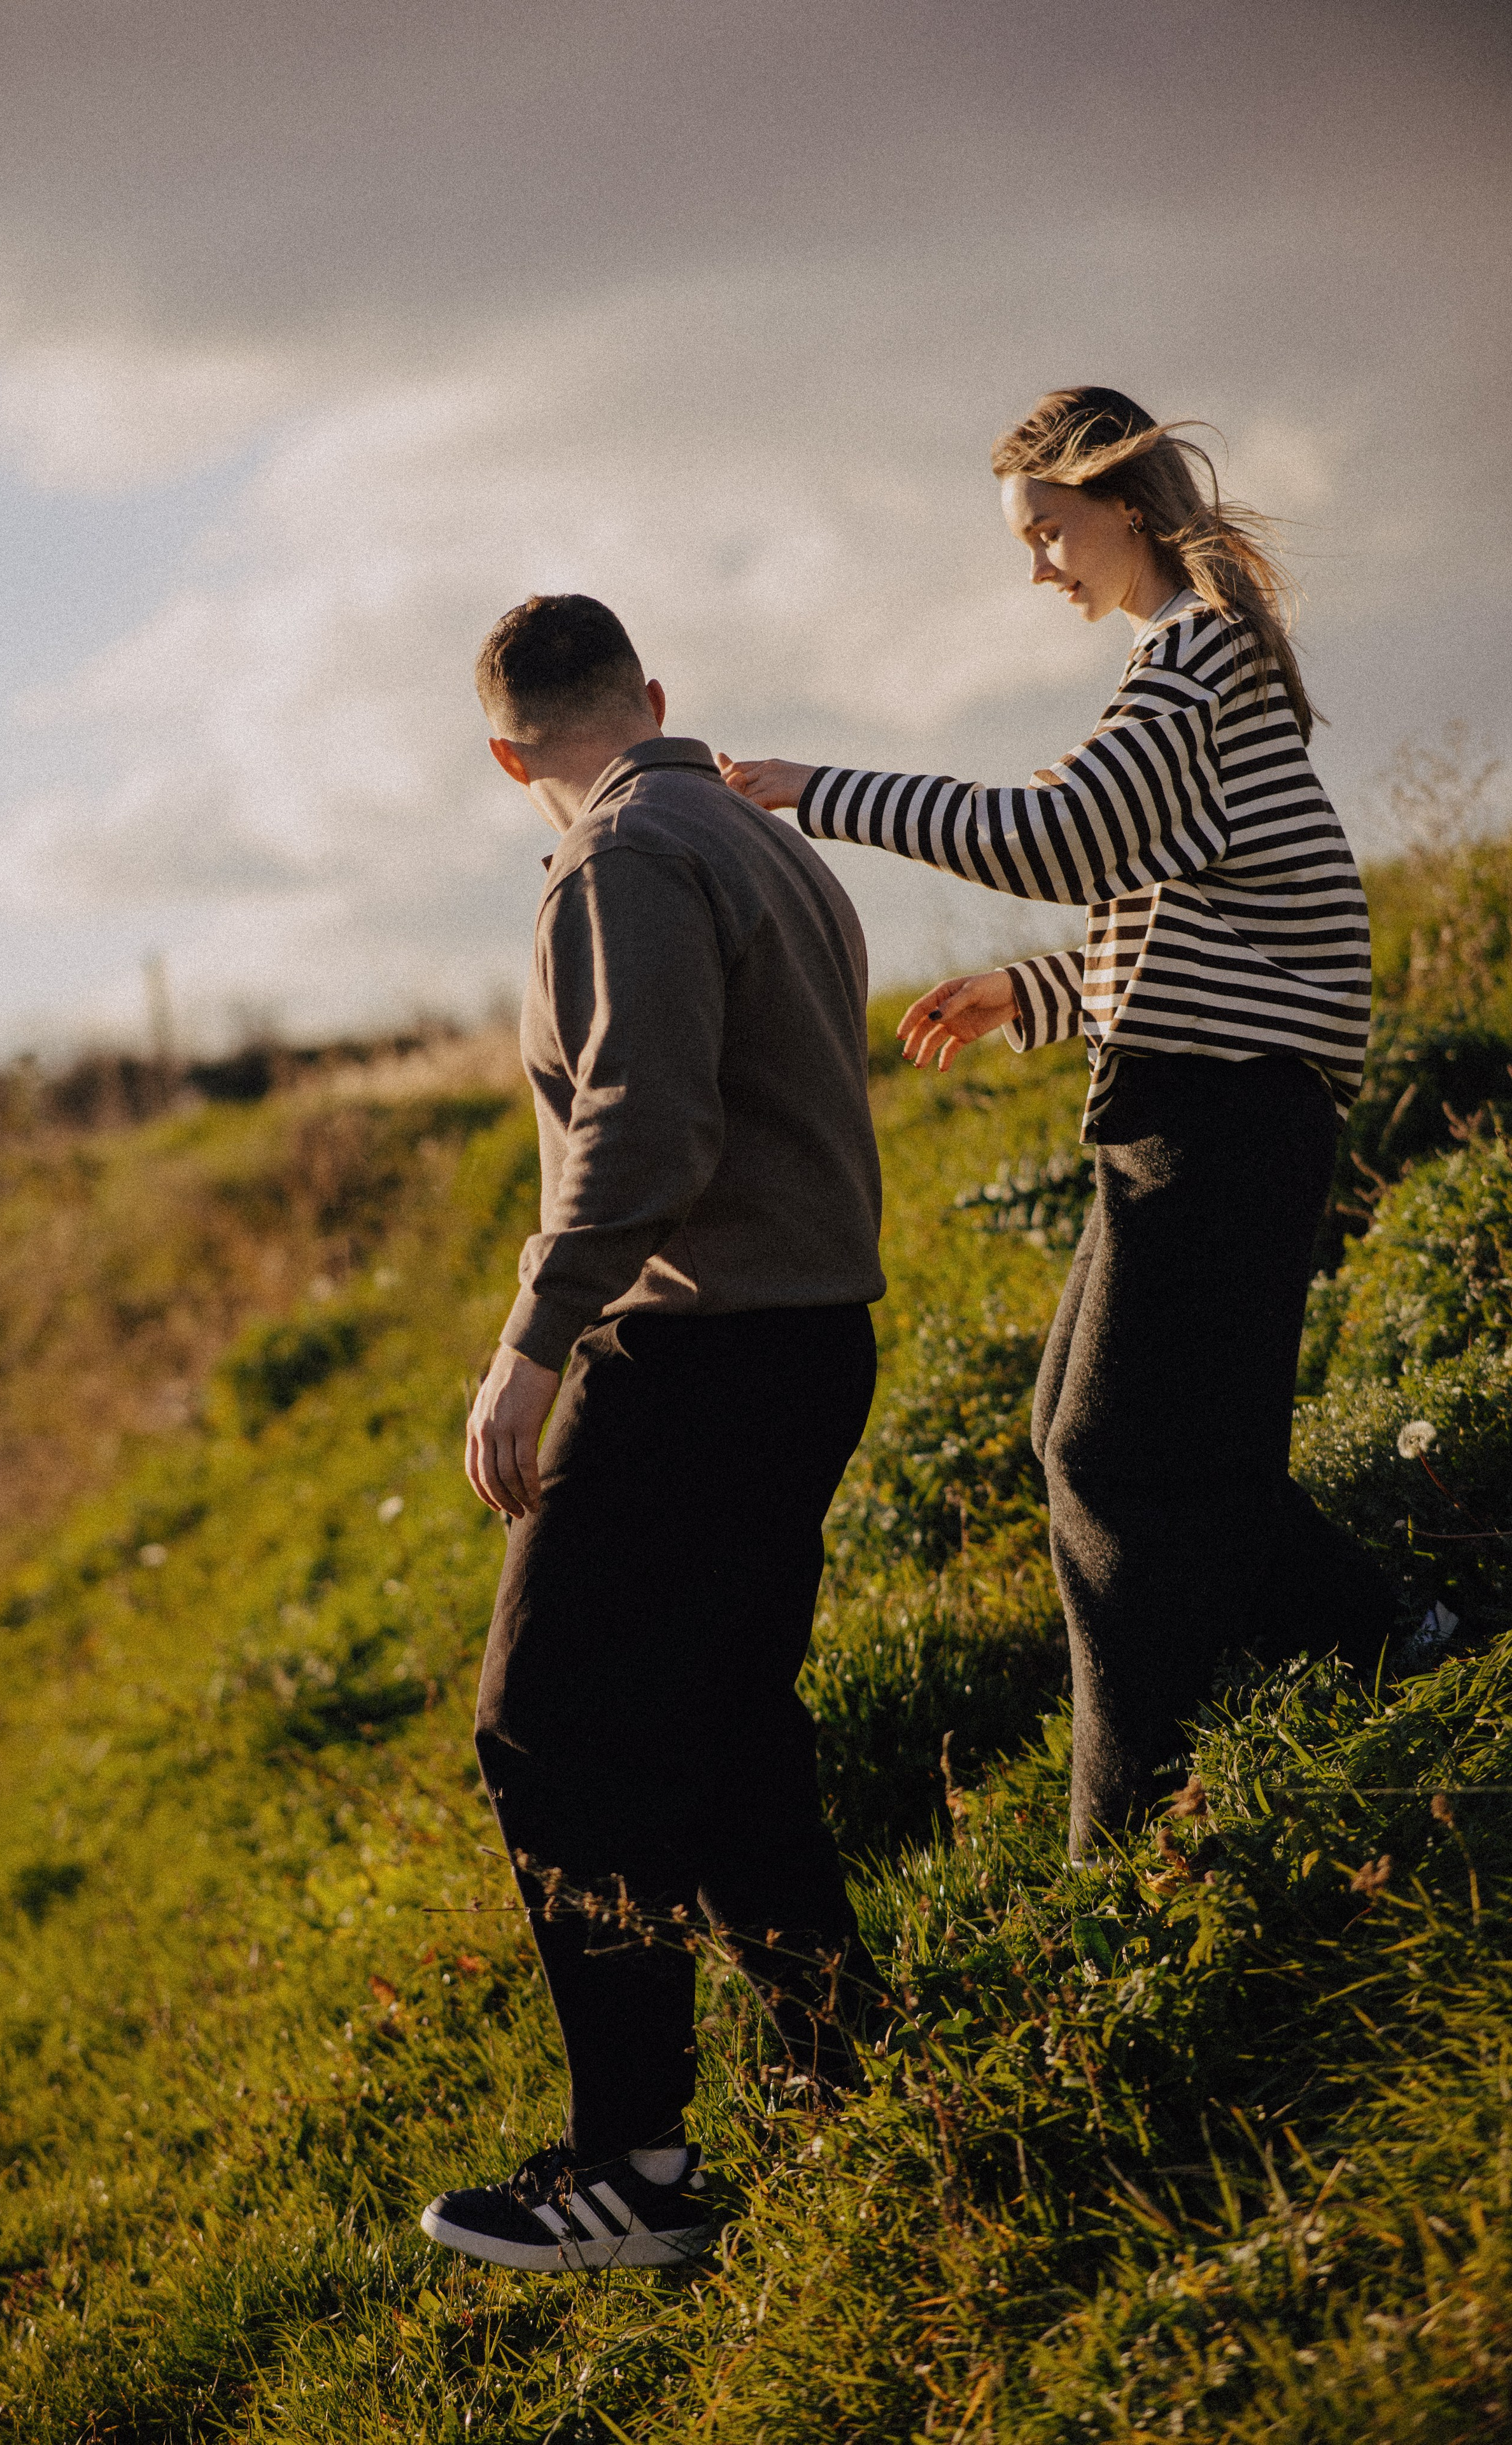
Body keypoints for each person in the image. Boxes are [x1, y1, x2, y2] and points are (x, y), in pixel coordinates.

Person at [721, 385, 1406, 1867]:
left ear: (1124, 505)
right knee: (1104, 1440)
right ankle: (1396, 1641)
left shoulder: (1192, 660)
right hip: (1199, 1099)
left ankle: (1123, 1837)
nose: (1034, 568)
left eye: (1045, 531)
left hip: (1227, 1109)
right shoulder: (1187, 666)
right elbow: (1190, 908)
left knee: (1109, 1457)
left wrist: (815, 789)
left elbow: (1061, 840)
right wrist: (1031, 992)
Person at [421, 593, 887, 2273]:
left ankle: (633, 2167)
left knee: (546, 1726)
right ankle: (851, 2069)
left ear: (505, 758)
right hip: (809, 1337)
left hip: (694, 1349)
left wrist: (531, 1342)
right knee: (726, 1725)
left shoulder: (616, 857)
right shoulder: (762, 844)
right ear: (651, 692)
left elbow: (645, 1124)